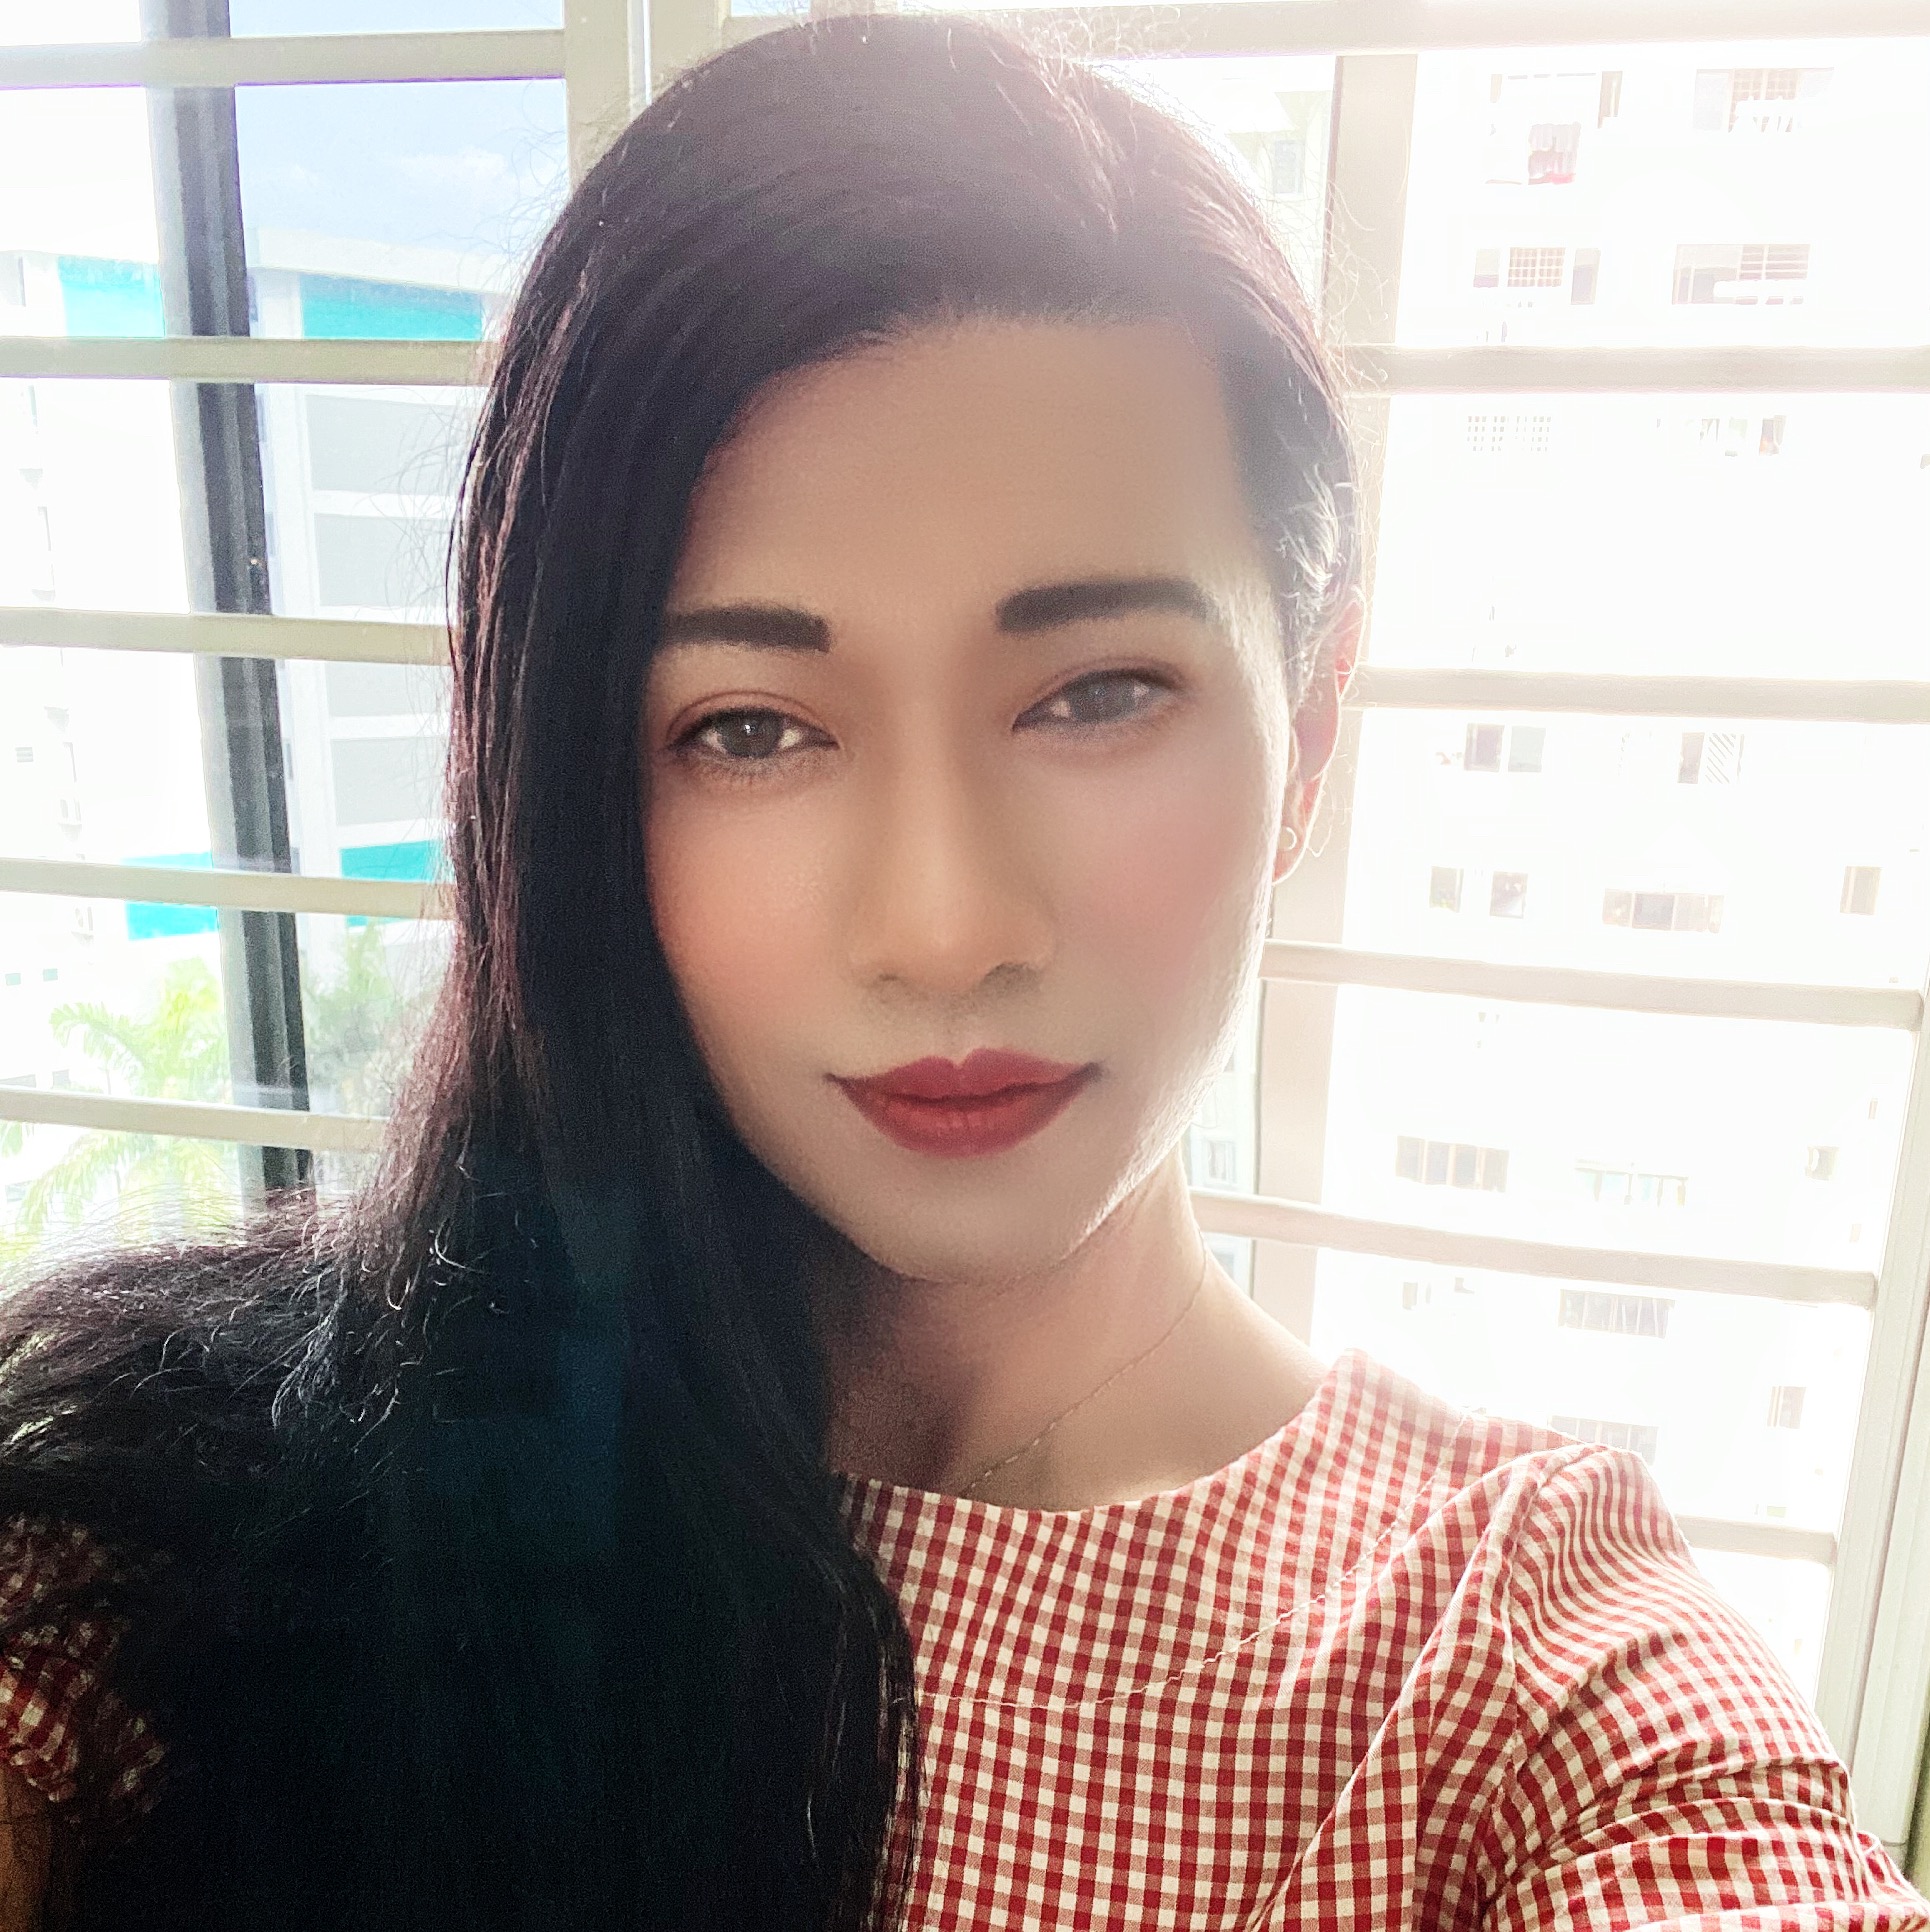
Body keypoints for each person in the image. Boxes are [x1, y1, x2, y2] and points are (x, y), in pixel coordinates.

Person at [0, 12, 1920, 1930]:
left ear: (1312, 730)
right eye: (751, 728)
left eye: (1097, 695)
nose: (943, 928)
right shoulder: (204, 1526)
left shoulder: (1515, 1689)